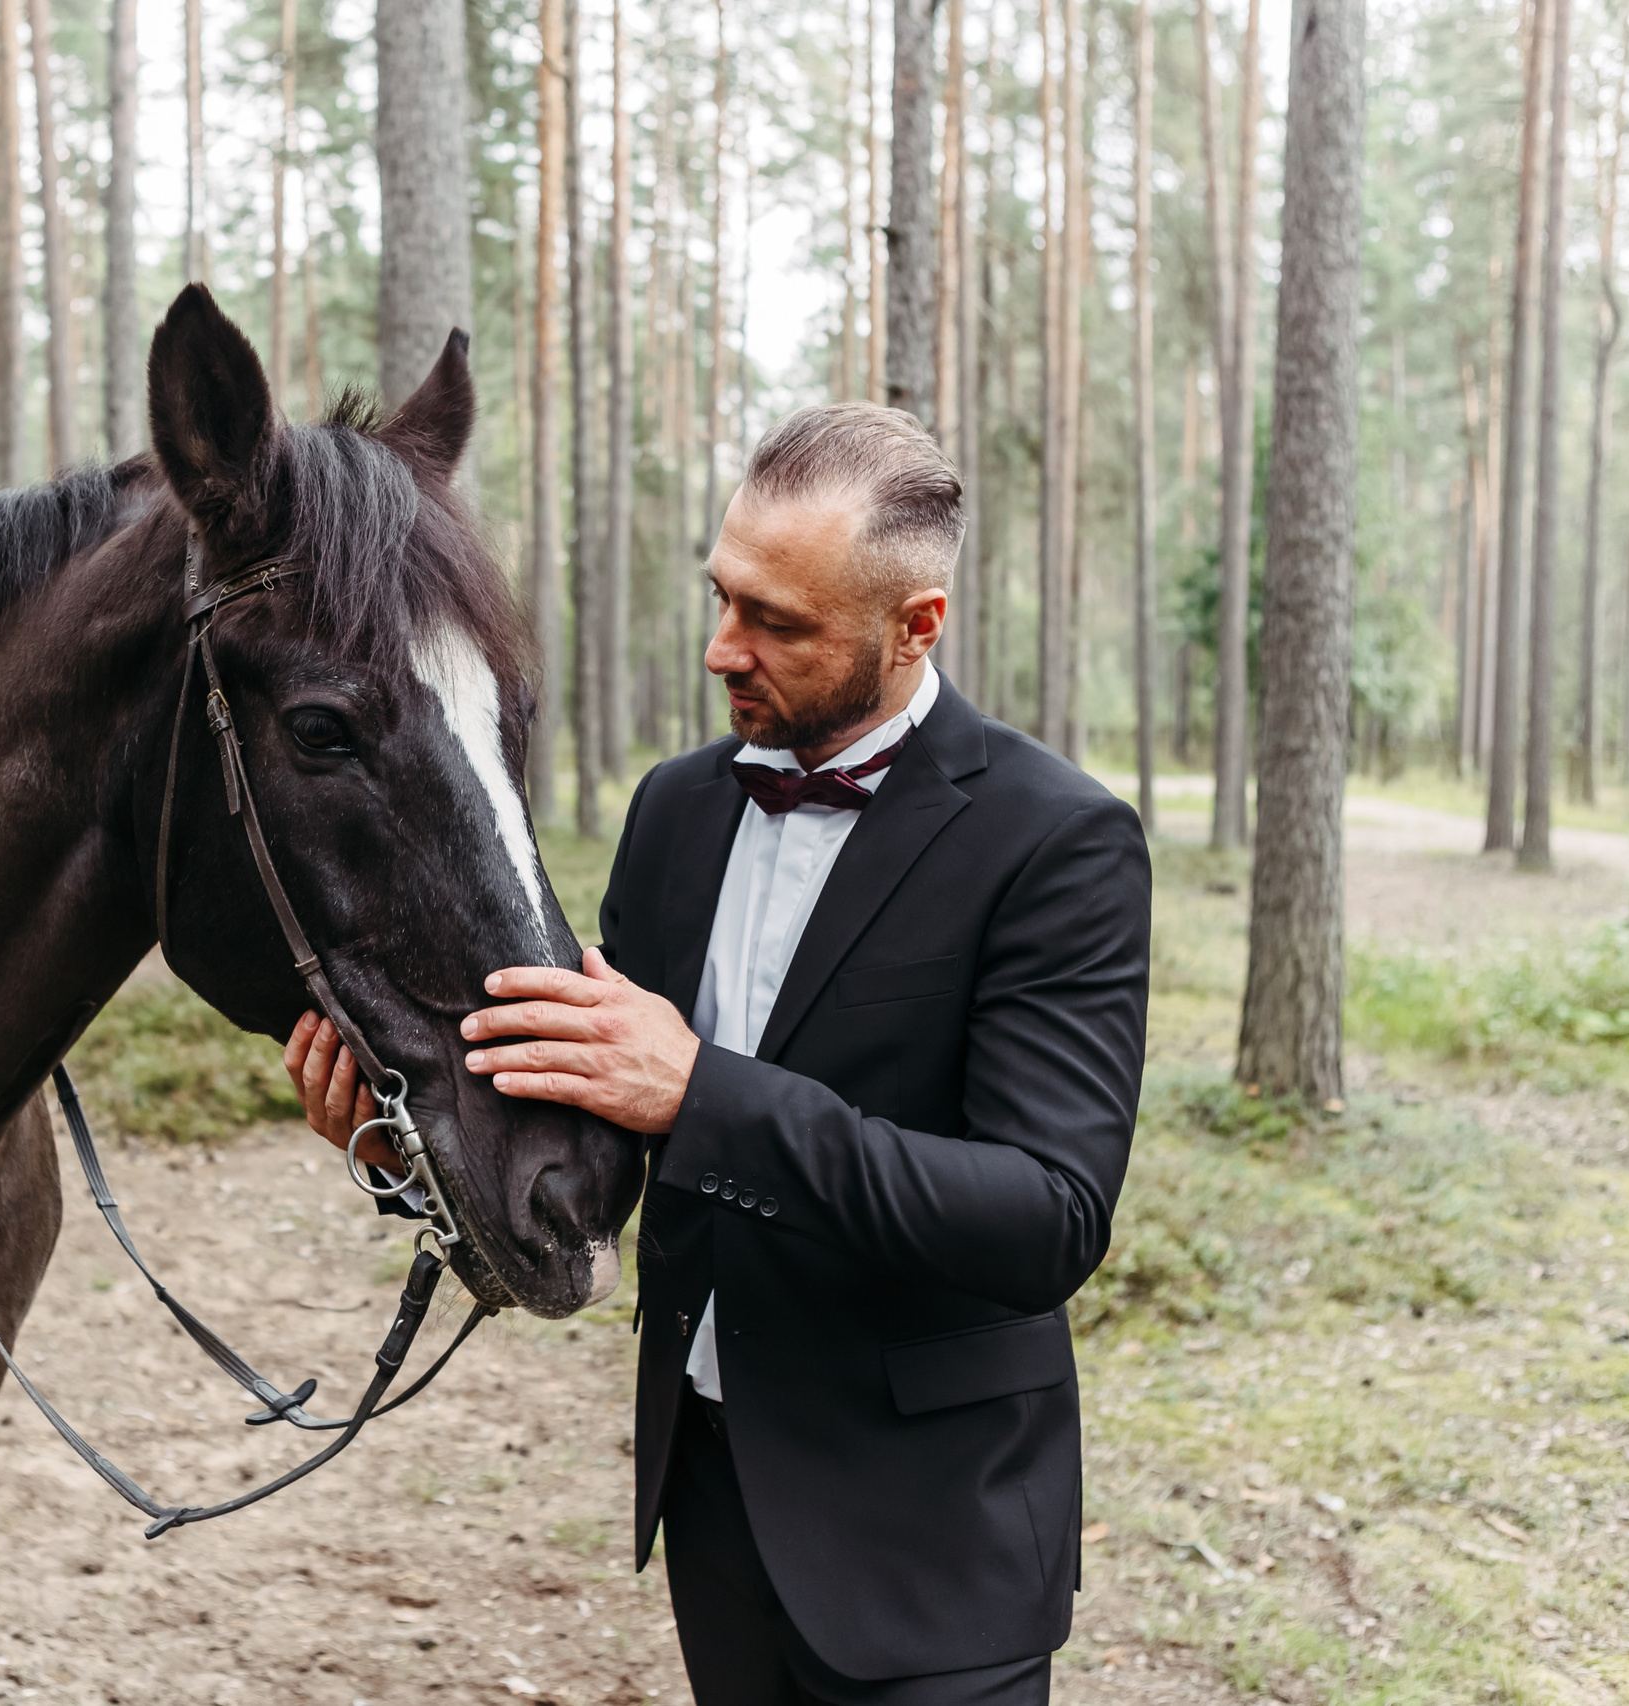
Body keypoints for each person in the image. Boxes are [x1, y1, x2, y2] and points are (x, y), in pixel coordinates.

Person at [284, 401, 1150, 1706]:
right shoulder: (677, 811)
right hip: (715, 1503)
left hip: (935, 1544)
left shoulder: (1058, 841)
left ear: (916, 626)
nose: (719, 648)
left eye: (777, 622)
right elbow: (604, 1166)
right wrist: (394, 1152)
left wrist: (704, 1092)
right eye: (722, 594)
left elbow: (1044, 1218)